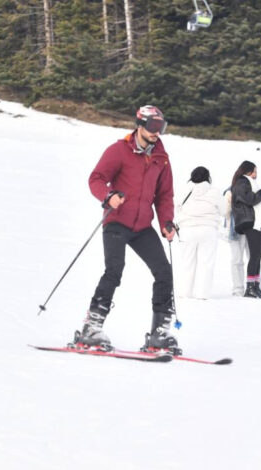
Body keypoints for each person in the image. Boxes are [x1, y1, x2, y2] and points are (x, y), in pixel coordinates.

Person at [76, 105, 179, 354]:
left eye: (161, 128)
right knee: (114, 270)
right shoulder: (119, 150)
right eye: (153, 127)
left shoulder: (161, 158)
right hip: (117, 221)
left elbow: (164, 195)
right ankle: (91, 328)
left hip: (142, 226)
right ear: (140, 125)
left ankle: (159, 334)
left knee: (164, 272)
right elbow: (96, 178)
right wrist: (108, 196)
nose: (157, 133)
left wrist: (166, 221)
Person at [175, 166, 224, 299]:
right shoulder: (214, 192)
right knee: (206, 262)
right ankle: (203, 294)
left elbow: (177, 206)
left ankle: (185, 292)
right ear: (208, 177)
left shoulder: (185, 190)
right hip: (208, 230)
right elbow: (224, 211)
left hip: (187, 230)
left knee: (187, 262)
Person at [230, 161, 261, 298]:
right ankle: (250, 287)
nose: (256, 175)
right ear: (247, 171)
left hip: (257, 222)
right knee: (254, 255)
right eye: (254, 172)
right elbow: (251, 200)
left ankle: (255, 285)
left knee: (257, 255)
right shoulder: (241, 183)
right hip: (250, 222)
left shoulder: (249, 184)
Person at [223, 188, 261, 297]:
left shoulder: (234, 191)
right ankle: (251, 287)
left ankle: (242, 289)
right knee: (250, 258)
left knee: (243, 259)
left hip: (242, 229)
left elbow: (226, 213)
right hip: (245, 229)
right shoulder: (250, 191)